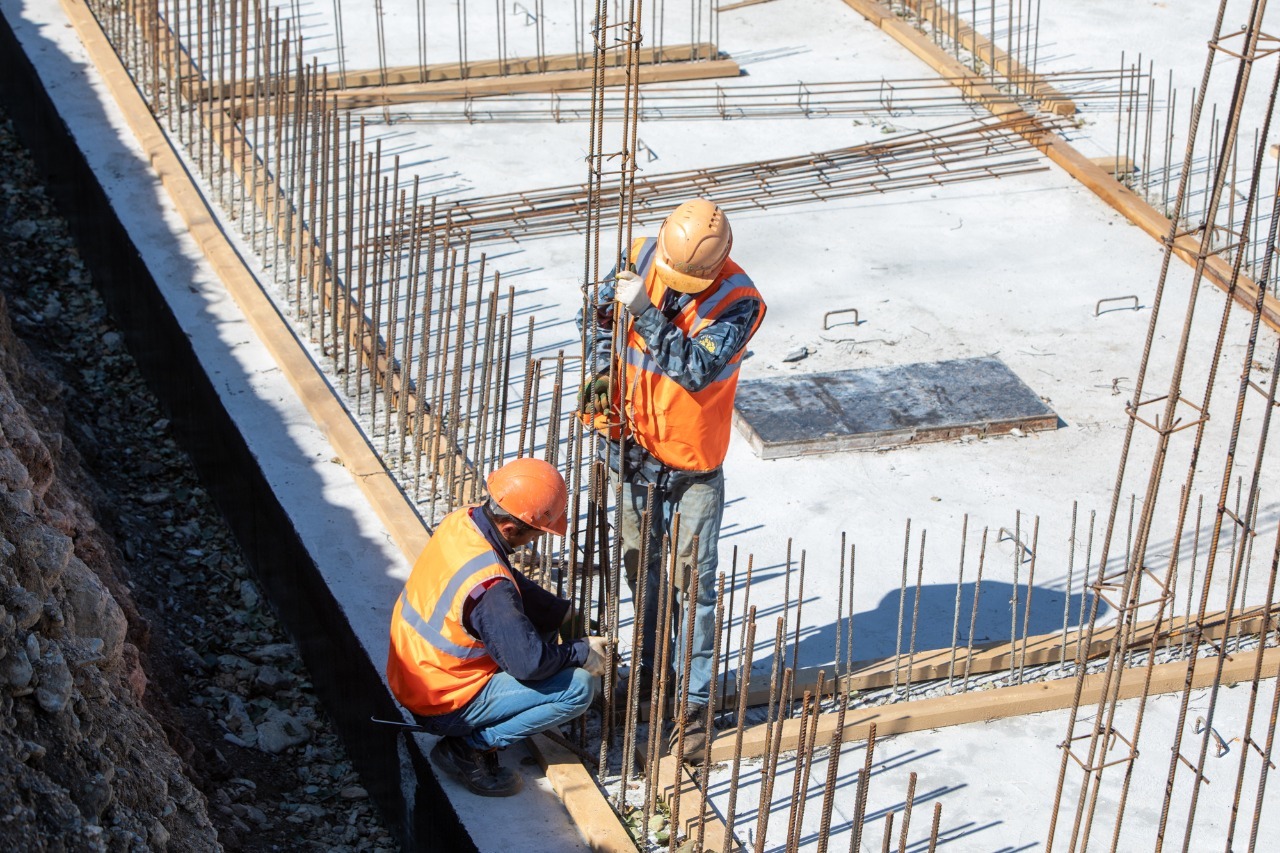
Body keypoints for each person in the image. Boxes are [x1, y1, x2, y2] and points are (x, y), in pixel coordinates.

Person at [578, 198, 766, 763]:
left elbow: (693, 369)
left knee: (695, 590)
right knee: (645, 576)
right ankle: (652, 679)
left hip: (691, 469)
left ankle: (692, 706)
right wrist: (601, 371)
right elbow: (595, 315)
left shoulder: (741, 303)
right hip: (633, 451)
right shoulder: (640, 255)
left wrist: (647, 314)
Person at [386, 458, 609, 797]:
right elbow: (527, 664)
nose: (536, 539)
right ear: (510, 529)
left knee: (536, 631)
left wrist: (559, 613)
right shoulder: (492, 591)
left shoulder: (464, 522)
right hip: (442, 701)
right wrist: (581, 652)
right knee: (577, 687)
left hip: (416, 675)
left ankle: (481, 725)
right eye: (537, 531)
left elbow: (510, 580)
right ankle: (470, 747)